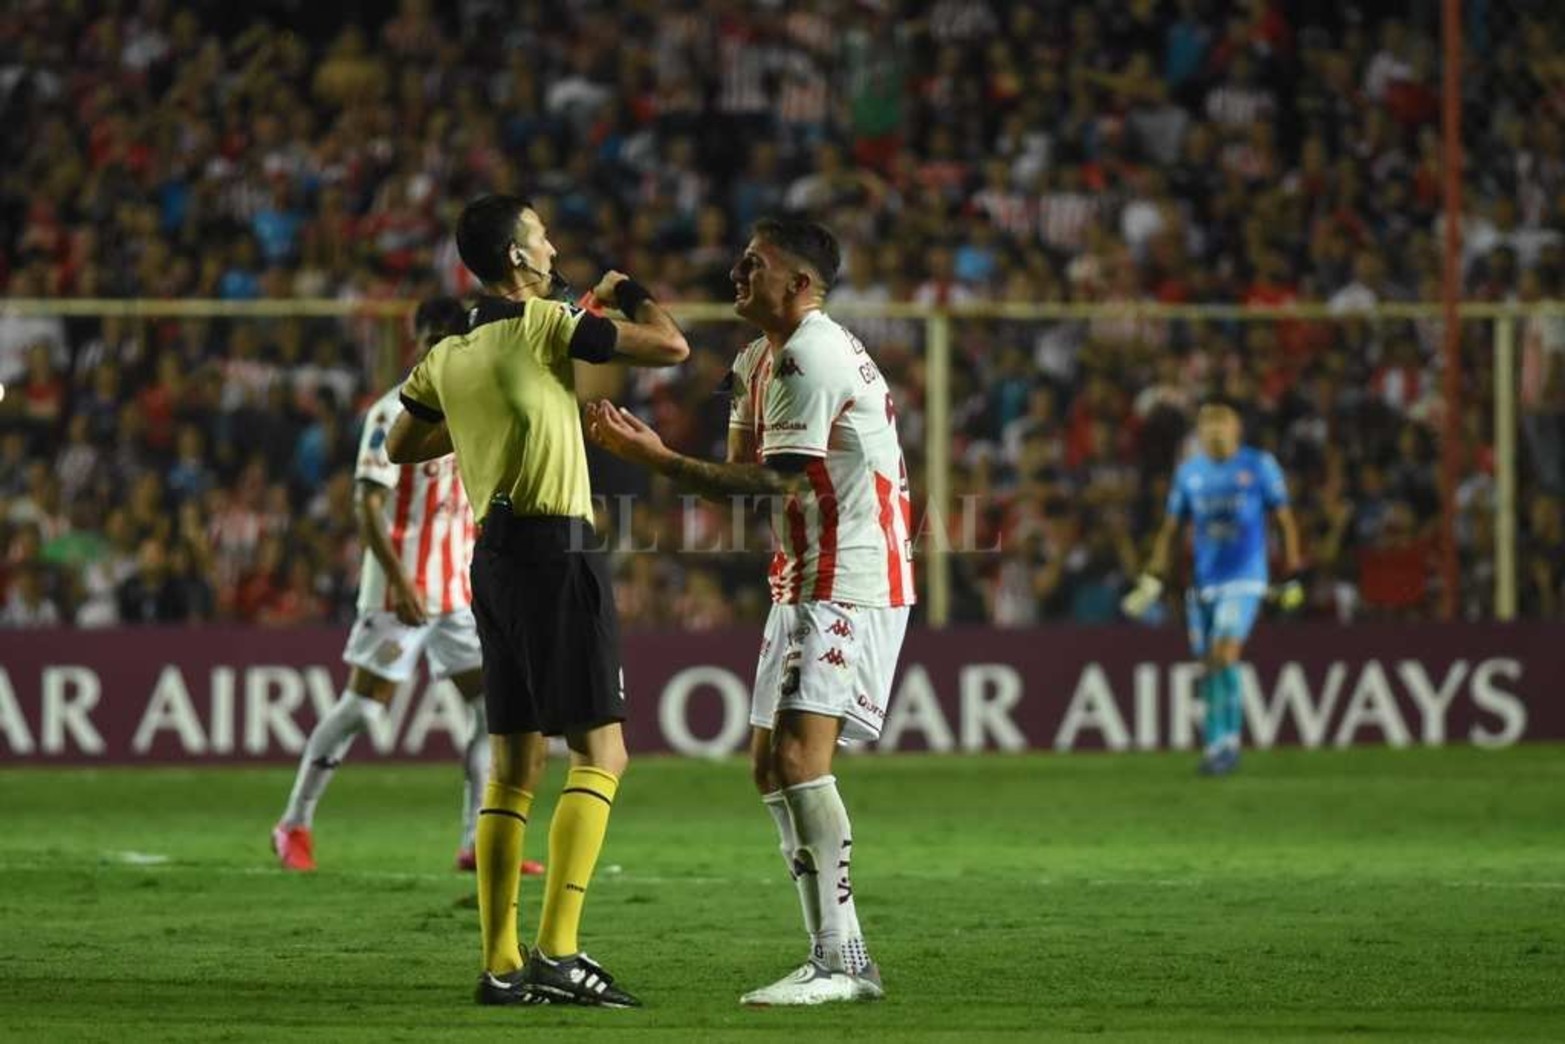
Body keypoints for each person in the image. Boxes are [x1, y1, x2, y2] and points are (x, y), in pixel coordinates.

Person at [586, 217, 913, 1006]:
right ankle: (830, 955)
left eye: (754, 264)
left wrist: (657, 461)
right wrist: (670, 463)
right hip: (799, 575)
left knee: (801, 759)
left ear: (799, 284)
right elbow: (740, 473)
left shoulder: (809, 353)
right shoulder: (758, 357)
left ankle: (844, 961)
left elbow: (783, 484)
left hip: (847, 574)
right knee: (768, 765)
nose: (736, 272)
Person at [387, 194, 688, 1008]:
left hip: (491, 559)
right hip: (557, 550)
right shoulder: (546, 324)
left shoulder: (450, 353)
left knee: (513, 766)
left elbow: (400, 443)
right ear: (518, 258)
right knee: (602, 753)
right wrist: (628, 295)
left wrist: (482, 419)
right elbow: (670, 346)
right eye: (541, 234)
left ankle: (498, 964)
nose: (552, 244)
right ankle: (557, 952)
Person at [271, 297, 543, 876]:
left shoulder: (472, 406)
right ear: (417, 340)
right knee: (364, 709)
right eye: (431, 338)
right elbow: (366, 506)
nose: (439, 348)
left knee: (491, 709)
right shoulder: (391, 411)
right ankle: (293, 823)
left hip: (457, 592)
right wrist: (399, 580)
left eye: (450, 338)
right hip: (400, 592)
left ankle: (476, 842)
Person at [1121, 396, 1304, 775]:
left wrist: (1293, 569)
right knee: (1208, 663)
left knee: (1224, 652)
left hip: (1246, 577)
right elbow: (1172, 528)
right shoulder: (1189, 473)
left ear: (1236, 428)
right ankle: (1215, 742)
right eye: (1206, 424)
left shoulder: (1258, 466)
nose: (1213, 430)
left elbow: (1284, 518)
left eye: (1221, 422)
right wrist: (1153, 575)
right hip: (1205, 582)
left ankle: (1229, 745)